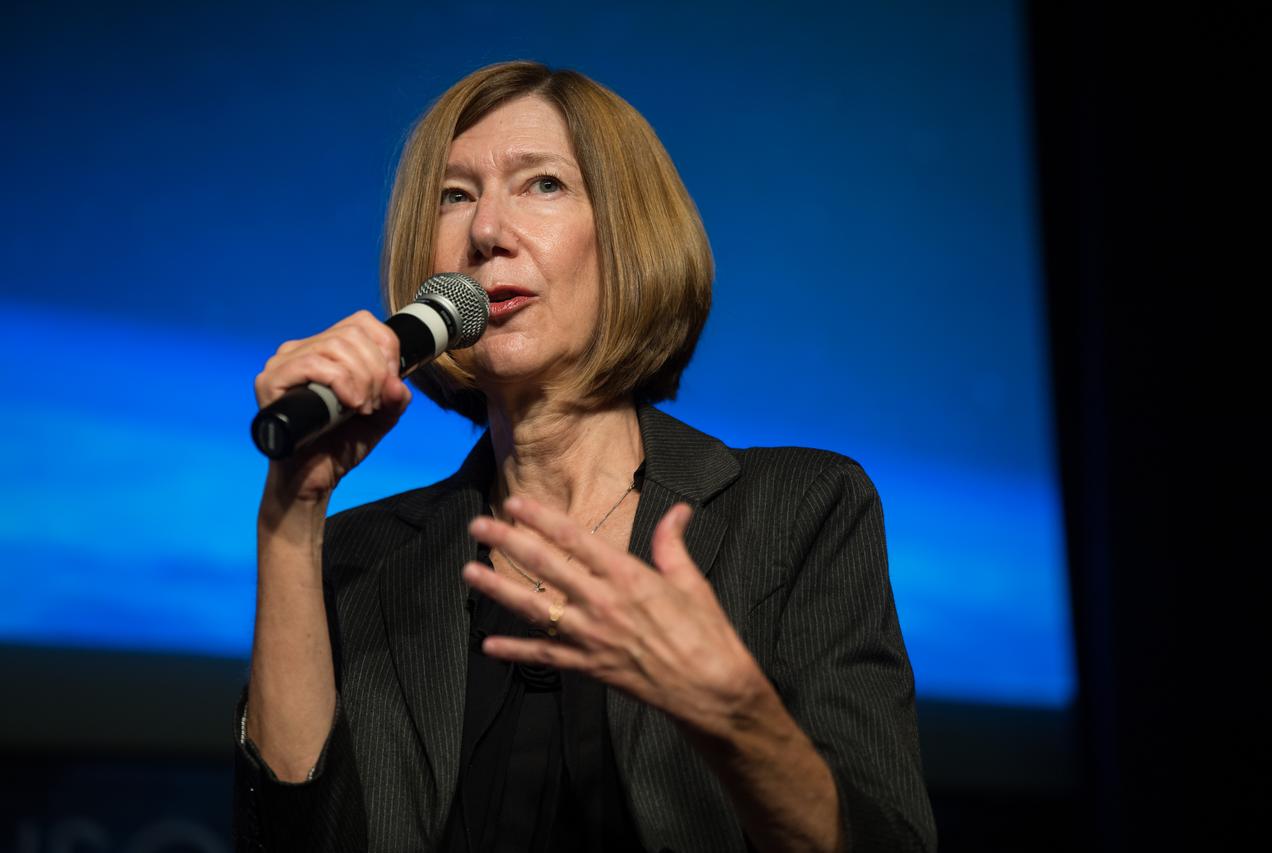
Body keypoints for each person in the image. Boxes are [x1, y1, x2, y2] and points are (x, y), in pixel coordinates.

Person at [235, 61, 936, 853]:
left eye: (541, 185)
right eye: (454, 195)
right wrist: (291, 521)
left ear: (629, 232)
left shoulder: (801, 510)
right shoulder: (362, 560)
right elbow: (284, 838)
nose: (487, 231)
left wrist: (737, 716)